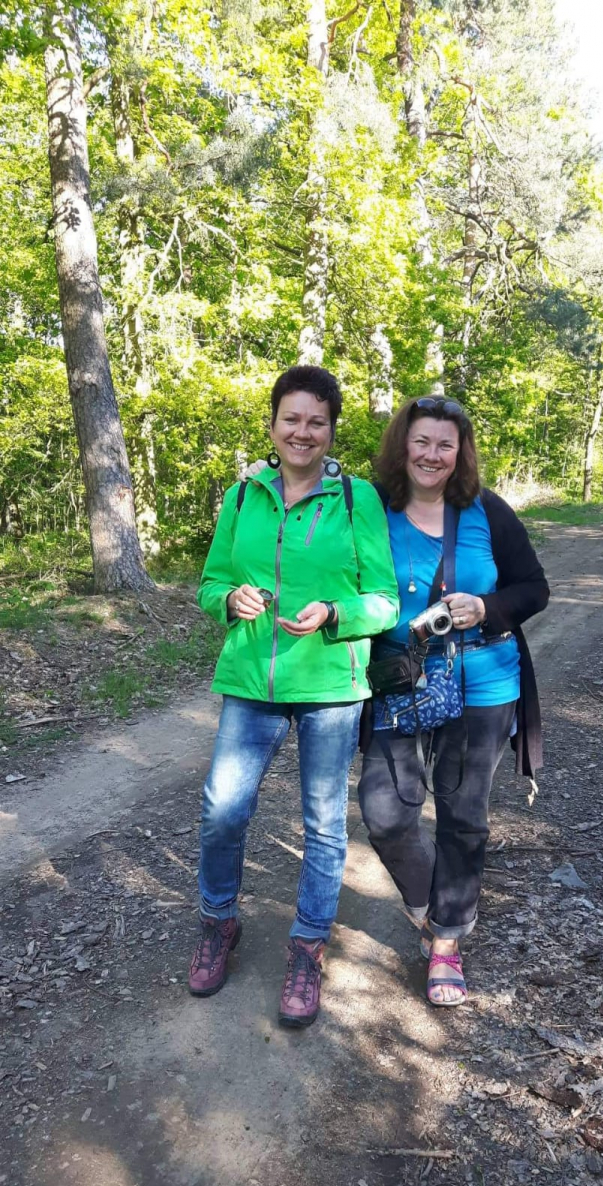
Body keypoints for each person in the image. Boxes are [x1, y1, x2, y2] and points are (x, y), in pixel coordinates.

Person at [189, 365, 399, 1027]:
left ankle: (308, 947)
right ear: (274, 424)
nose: (302, 432)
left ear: (331, 430)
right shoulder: (241, 497)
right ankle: (218, 922)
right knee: (223, 810)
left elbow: (385, 600)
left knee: (324, 824)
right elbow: (209, 584)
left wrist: (336, 613)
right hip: (252, 680)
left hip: (331, 685)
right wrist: (230, 599)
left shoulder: (356, 500)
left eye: (316, 421)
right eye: (291, 419)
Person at [358, 396, 549, 1006]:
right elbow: (308, 501)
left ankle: (446, 940)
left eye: (446, 444)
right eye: (422, 441)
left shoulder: (487, 510)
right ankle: (427, 907)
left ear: (461, 453)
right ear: (402, 445)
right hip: (401, 679)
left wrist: (487, 606)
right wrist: (264, 473)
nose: (432, 455)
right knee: (386, 813)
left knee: (464, 816)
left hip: (483, 679)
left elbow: (534, 588)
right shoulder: (371, 507)